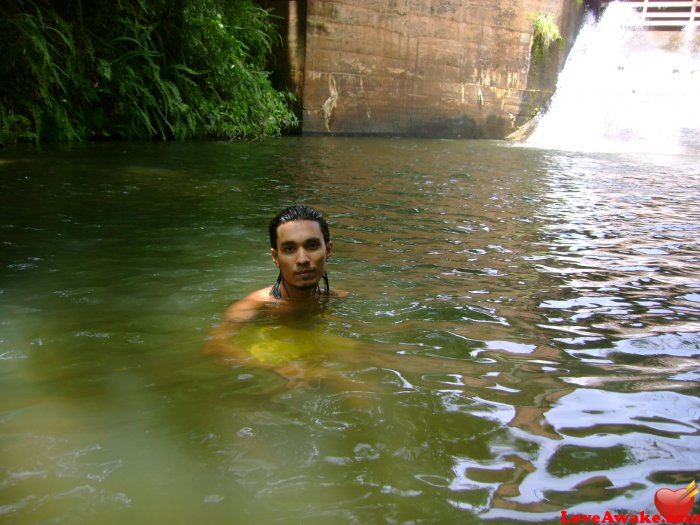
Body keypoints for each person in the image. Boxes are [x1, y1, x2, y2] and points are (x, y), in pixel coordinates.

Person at [202, 205, 349, 375]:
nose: (302, 259)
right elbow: (214, 347)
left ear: (328, 250)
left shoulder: (335, 298)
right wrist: (279, 368)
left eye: (312, 246)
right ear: (275, 257)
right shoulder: (256, 306)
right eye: (289, 249)